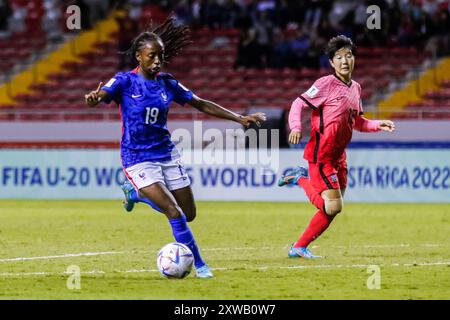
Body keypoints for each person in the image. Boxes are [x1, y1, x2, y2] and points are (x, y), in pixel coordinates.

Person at [84, 16, 266, 277]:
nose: (157, 60)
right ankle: (201, 265)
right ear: (138, 56)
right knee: (173, 211)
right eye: (151, 55)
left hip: (167, 154)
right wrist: (93, 99)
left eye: (161, 55)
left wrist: (238, 118)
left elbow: (201, 103)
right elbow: (100, 95)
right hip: (137, 157)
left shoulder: (167, 82)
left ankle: (134, 194)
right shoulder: (124, 81)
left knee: (188, 214)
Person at [278, 35, 395, 258]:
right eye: (339, 57)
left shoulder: (356, 88)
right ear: (332, 62)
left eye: (348, 55)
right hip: (321, 155)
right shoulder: (325, 84)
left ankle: (299, 247)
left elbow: (359, 122)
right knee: (333, 206)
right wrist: (294, 126)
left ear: (354, 59)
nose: (344, 61)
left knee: (333, 206)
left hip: (339, 156)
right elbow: (297, 104)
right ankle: (299, 178)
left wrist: (378, 124)